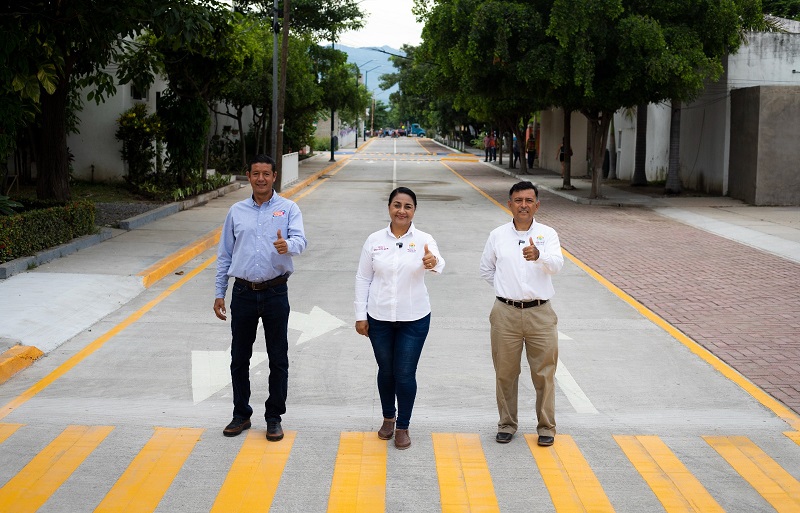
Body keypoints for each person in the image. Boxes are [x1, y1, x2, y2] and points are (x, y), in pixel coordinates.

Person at [214, 154, 307, 441]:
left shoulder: (288, 209)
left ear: (274, 176)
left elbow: (301, 241)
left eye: (266, 173)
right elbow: (225, 254)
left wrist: (286, 245)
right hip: (243, 293)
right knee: (239, 357)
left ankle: (274, 417)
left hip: (276, 292)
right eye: (256, 173)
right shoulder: (236, 211)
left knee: (278, 358)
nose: (261, 179)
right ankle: (241, 414)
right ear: (249, 176)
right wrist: (219, 292)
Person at [354, 187, 445, 450]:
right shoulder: (374, 240)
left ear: (414, 211)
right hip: (379, 317)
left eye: (407, 206)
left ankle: (403, 426)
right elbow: (363, 278)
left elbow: (438, 263)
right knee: (386, 370)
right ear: (389, 208)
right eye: (397, 205)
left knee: (404, 373)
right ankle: (388, 418)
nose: (401, 211)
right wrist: (360, 315)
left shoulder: (424, 239)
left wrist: (432, 262)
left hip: (414, 318)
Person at [479, 181, 564, 447]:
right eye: (518, 200)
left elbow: (557, 265)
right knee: (505, 372)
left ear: (537, 205)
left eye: (528, 201)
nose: (523, 205)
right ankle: (507, 424)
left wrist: (539, 255)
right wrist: (506, 289)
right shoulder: (497, 235)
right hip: (505, 312)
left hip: (540, 312)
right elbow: (486, 269)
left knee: (544, 373)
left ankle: (546, 427)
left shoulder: (548, 234)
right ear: (509, 204)